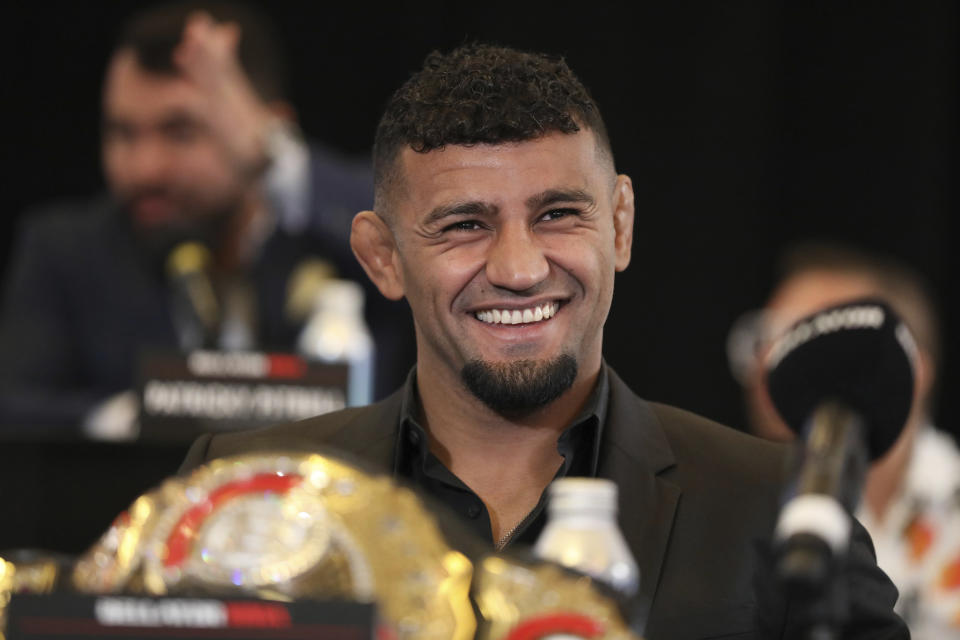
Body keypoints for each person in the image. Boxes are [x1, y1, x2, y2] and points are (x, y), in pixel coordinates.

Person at [181, 44, 907, 637]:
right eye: (465, 225)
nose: (521, 269)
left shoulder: (775, 507)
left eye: (559, 214)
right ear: (382, 258)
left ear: (620, 224)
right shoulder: (244, 491)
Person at [0, 2, 413, 437]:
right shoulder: (66, 252)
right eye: (122, 133)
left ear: (261, 128)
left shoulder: (341, 231)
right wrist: (127, 419)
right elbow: (13, 407)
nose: (145, 169)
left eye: (180, 132)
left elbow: (415, 233)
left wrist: (275, 156)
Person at [729, 242, 960, 638]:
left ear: (912, 368)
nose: (772, 361)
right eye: (769, 336)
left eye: (812, 333)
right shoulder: (736, 511)